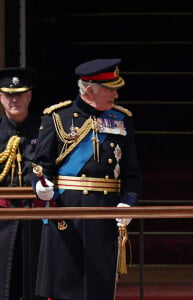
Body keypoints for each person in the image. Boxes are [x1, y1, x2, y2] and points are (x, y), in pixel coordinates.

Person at [32, 58, 142, 300]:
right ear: (90, 89)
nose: (115, 95)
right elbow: (41, 165)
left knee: (99, 287)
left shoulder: (122, 119)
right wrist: (42, 187)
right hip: (66, 213)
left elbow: (132, 172)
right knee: (64, 286)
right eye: (110, 89)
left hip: (104, 213)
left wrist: (128, 202)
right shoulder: (57, 118)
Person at [0, 67, 46, 300]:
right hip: (2, 219)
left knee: (34, 285)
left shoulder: (45, 128)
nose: (14, 99)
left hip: (35, 219)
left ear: (29, 95)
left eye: (19, 94)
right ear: (1, 97)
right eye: (9, 95)